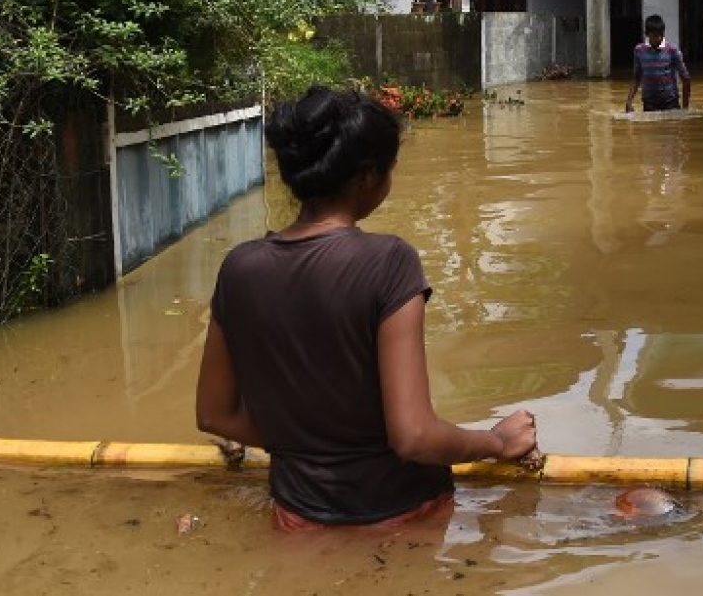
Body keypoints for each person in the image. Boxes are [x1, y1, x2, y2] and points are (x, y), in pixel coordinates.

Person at [195, 85, 539, 531]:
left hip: (296, 517)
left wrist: (305, 444)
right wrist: (494, 441)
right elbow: (413, 436)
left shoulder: (239, 267)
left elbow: (214, 415)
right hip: (404, 516)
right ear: (368, 177)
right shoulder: (390, 261)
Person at [625, 14, 691, 112]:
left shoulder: (673, 50)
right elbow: (636, 77)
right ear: (647, 34)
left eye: (661, 34)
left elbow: (685, 78)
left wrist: (685, 108)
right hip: (649, 103)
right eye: (655, 35)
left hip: (671, 102)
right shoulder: (639, 50)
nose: (659, 38)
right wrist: (628, 102)